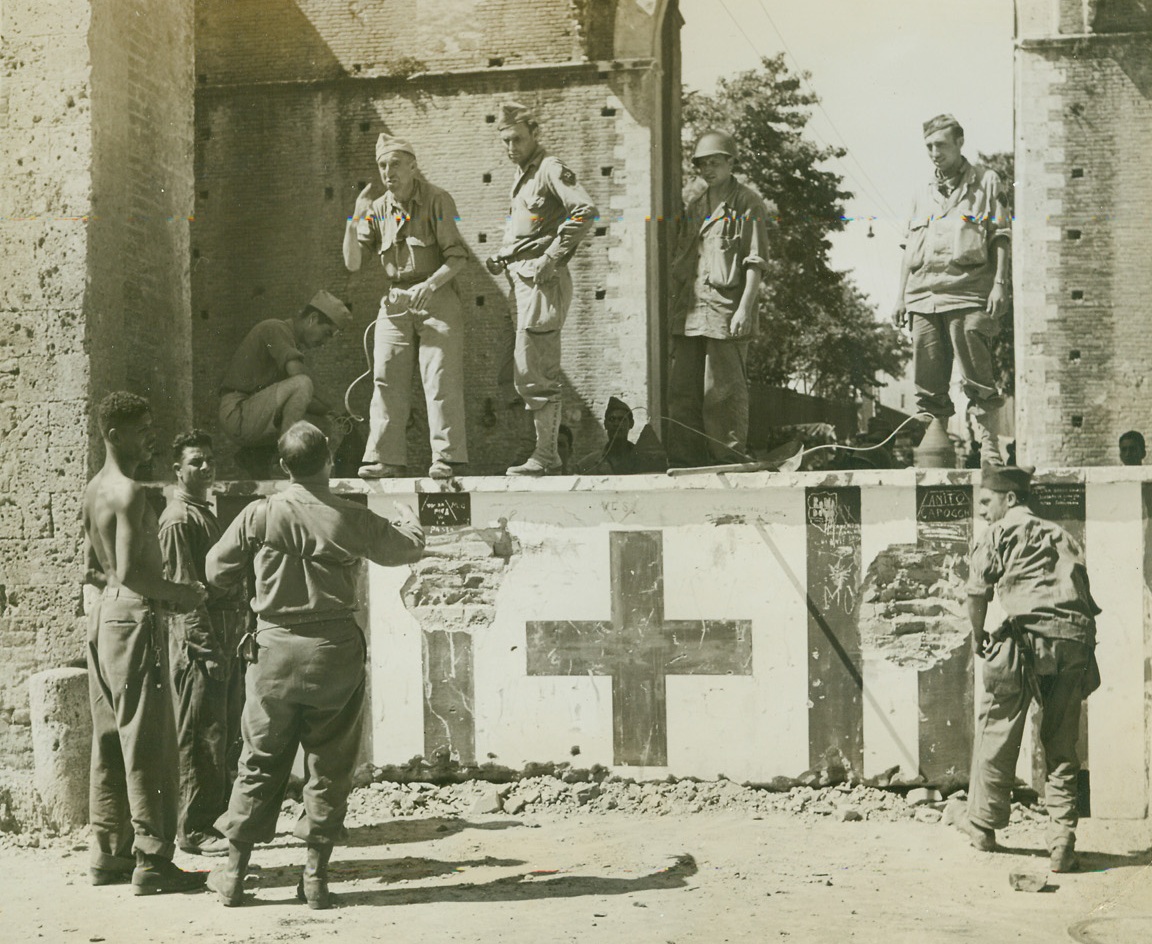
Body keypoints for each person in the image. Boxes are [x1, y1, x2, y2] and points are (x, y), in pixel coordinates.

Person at [204, 421, 424, 909]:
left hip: (273, 653)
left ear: (284, 466)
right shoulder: (352, 516)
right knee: (330, 764)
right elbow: (407, 547)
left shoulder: (258, 515)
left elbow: (216, 571)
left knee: (258, 761)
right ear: (329, 460)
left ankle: (234, 875)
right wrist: (410, 521)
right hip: (334, 652)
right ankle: (315, 879)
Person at [82, 392, 208, 895]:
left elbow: (95, 569)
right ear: (115, 435)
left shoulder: (94, 489)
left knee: (110, 737)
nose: (151, 438)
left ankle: (109, 854)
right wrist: (181, 594)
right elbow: (133, 572)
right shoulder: (131, 492)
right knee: (149, 741)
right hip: (134, 616)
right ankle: (153, 860)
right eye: (142, 430)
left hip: (104, 615)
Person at [962, 465, 1101, 873]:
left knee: (997, 731)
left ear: (1009, 499)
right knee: (1061, 743)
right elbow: (1081, 592)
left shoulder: (998, 533)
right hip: (1073, 644)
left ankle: (983, 827)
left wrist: (977, 636)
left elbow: (977, 591)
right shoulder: (1062, 535)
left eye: (986, 501)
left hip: (1023, 641)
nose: (982, 510)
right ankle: (1061, 840)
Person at [343, 134, 470, 480]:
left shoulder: (438, 200)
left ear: (413, 167)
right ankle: (385, 459)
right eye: (382, 166)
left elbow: (458, 257)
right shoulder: (378, 209)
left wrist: (430, 286)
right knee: (385, 376)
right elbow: (353, 263)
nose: (388, 172)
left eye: (395, 164)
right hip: (396, 299)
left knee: (440, 377)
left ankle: (447, 458)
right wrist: (353, 221)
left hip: (435, 293)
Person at [892, 114, 1011, 465]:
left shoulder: (986, 182)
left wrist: (1000, 284)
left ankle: (989, 449)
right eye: (929, 146)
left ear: (959, 142)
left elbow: (1001, 236)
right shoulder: (921, 191)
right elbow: (909, 248)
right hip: (923, 296)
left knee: (978, 375)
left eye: (941, 145)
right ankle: (935, 452)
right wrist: (900, 296)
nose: (934, 152)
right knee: (927, 382)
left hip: (968, 294)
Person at [491, 101, 597, 475]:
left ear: (535, 133)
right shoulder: (523, 176)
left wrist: (551, 257)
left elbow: (585, 211)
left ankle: (546, 455)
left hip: (541, 282)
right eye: (505, 141)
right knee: (523, 369)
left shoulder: (550, 168)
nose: (511, 147)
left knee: (537, 370)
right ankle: (539, 451)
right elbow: (530, 231)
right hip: (521, 280)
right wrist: (504, 255)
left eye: (518, 139)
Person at [158, 430, 247, 858]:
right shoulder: (179, 520)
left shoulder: (201, 512)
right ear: (178, 470)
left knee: (220, 732)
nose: (206, 467)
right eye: (196, 461)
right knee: (199, 735)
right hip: (199, 642)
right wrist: (207, 649)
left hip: (223, 636)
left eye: (210, 459)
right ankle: (193, 828)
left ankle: (214, 819)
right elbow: (182, 592)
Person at [667, 130, 770, 468]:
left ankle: (726, 456)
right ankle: (686, 460)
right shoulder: (695, 206)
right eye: (702, 164)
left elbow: (755, 262)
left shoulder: (747, 203)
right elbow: (681, 263)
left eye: (714, 163)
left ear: (730, 163)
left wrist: (744, 309)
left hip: (726, 311)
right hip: (690, 312)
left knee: (722, 391)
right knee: (682, 390)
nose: (707, 170)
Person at [218, 290, 353, 476]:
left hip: (253, 414)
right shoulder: (276, 328)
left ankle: (256, 457)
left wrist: (332, 413)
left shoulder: (291, 344)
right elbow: (300, 377)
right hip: (237, 412)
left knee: (323, 421)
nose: (325, 342)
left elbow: (306, 401)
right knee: (303, 383)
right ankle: (288, 459)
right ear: (312, 319)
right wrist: (335, 405)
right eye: (327, 333)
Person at [575, 396, 668, 474]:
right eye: (612, 419)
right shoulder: (587, 465)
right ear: (605, 424)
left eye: (622, 419)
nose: (616, 424)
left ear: (631, 424)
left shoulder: (644, 460)